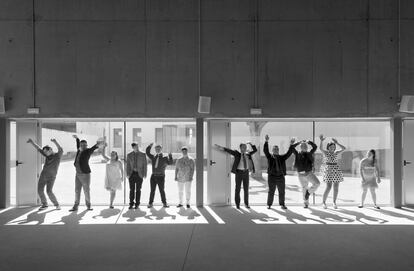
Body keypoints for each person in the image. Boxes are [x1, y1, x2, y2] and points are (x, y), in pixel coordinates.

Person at [215, 142, 257, 209]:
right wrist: (221, 147)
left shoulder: (248, 154)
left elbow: (255, 150)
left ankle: (246, 204)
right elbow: (229, 151)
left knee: (246, 189)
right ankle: (237, 204)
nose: (245, 148)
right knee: (238, 189)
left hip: (246, 173)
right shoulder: (237, 154)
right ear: (240, 148)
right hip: (239, 173)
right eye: (243, 147)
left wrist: (251, 144)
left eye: (246, 147)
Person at [27, 138, 63, 210]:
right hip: (43, 176)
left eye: (46, 152)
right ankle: (45, 204)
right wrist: (32, 142)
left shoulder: (57, 156)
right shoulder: (47, 155)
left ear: (50, 150)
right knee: (40, 190)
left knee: (49, 191)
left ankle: (57, 204)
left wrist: (55, 142)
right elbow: (39, 149)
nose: (45, 153)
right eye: (45, 152)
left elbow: (60, 149)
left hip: (51, 177)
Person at [69, 135, 103, 212]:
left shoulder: (88, 151)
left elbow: (93, 148)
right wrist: (77, 138)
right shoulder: (79, 150)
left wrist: (98, 144)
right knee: (77, 190)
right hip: (77, 174)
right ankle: (76, 206)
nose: (83, 146)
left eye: (84, 145)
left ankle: (88, 205)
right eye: (81, 145)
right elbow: (78, 144)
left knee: (86, 190)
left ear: (86, 146)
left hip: (85, 175)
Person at [263, 135, 296, 210]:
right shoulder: (270, 157)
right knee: (271, 191)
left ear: (278, 150)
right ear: (272, 150)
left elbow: (288, 153)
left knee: (282, 191)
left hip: (280, 176)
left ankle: (282, 204)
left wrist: (291, 144)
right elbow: (265, 151)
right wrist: (266, 141)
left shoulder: (282, 157)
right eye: (274, 149)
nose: (276, 150)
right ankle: (269, 204)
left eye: (277, 149)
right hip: (272, 176)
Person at [319, 135, 346, 209]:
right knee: (328, 187)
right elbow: (320, 148)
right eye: (331, 147)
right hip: (328, 170)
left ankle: (334, 202)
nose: (332, 148)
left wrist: (337, 143)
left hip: (336, 170)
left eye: (333, 147)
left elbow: (344, 148)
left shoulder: (336, 152)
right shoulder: (326, 152)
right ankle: (323, 202)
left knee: (336, 187)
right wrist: (321, 141)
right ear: (328, 147)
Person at [292, 139, 320, 208]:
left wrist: (309, 142)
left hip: (308, 173)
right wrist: (298, 142)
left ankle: (308, 193)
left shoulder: (309, 153)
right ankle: (305, 203)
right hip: (300, 174)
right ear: (300, 147)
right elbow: (292, 148)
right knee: (304, 188)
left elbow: (315, 147)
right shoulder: (297, 153)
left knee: (317, 183)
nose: (304, 147)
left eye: (305, 146)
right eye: (303, 146)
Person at [146, 143, 173, 208]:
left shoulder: (165, 158)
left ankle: (164, 203)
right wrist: (149, 146)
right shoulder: (153, 157)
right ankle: (150, 203)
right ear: (155, 149)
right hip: (153, 176)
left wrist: (170, 156)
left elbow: (170, 163)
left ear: (161, 149)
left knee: (162, 190)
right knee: (152, 190)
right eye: (156, 149)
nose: (157, 150)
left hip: (161, 176)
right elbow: (147, 152)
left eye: (159, 149)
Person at [126, 143, 147, 209]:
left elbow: (145, 165)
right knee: (131, 190)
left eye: (137, 146)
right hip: (131, 174)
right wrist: (127, 174)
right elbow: (128, 165)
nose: (136, 147)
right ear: (133, 147)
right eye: (134, 147)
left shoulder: (143, 154)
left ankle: (137, 204)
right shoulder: (129, 155)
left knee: (138, 189)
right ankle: (131, 204)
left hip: (139, 174)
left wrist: (145, 173)